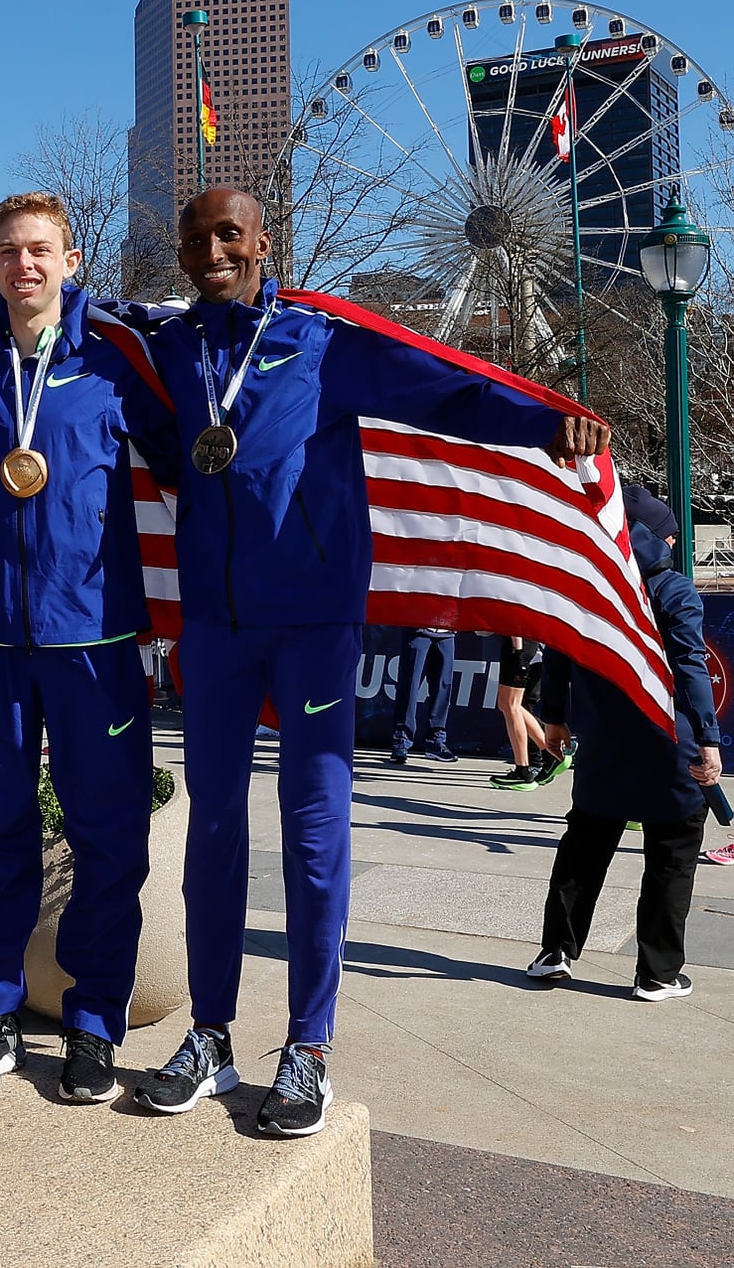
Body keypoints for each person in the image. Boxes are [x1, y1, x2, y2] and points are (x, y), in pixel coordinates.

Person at [120, 187, 610, 1137]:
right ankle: (212, 1037)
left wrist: (547, 418)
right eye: (195, 238)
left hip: (312, 625)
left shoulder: (320, 342)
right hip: (216, 629)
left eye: (230, 234)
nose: (212, 250)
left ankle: (307, 1047)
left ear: (266, 242)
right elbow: (120, 389)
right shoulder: (174, 350)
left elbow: (443, 387)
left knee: (314, 832)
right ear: (179, 254)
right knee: (211, 828)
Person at [0, 192, 167, 1101]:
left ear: (70, 261)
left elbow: (194, 458)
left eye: (40, 251)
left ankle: (93, 1020)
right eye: (8, 251)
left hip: (95, 637)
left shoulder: (118, 364)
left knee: (107, 835)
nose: (23, 265)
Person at [527, 523, 722, 1000]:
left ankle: (556, 952)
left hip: (604, 741)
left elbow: (557, 652)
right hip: (668, 740)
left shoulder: (584, 583)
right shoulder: (673, 589)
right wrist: (709, 738)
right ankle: (656, 972)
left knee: (584, 847)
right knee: (671, 855)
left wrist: (553, 717)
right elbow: (690, 665)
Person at [489, 636, 563, 790]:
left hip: (520, 645)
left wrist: (517, 649)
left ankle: (523, 771)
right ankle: (550, 752)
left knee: (511, 705)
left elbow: (516, 618)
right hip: (521, 645)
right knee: (506, 704)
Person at [389, 628, 458, 765]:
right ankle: (401, 741)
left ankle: (436, 741)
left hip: (447, 632)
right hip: (417, 629)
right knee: (410, 686)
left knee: (443, 686)